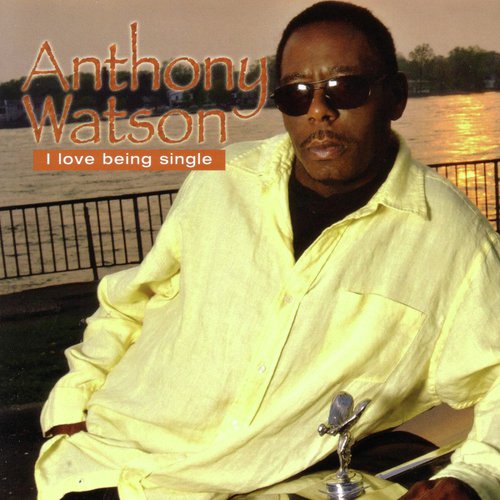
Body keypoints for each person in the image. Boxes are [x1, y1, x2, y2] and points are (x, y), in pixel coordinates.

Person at [36, 2, 499, 499]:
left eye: (345, 88)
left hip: (255, 486)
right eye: (295, 94)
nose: (318, 110)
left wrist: (472, 477)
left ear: (396, 97)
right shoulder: (221, 181)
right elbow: (130, 303)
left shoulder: (453, 241)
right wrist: (69, 407)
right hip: (98, 465)